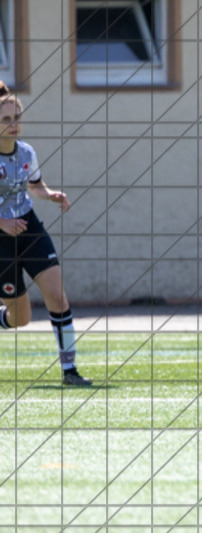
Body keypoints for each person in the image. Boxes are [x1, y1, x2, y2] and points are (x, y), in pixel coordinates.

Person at [0, 83, 91, 386]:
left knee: (57, 296)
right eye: (6, 120)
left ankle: (70, 371)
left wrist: (49, 194)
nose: (14, 125)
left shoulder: (26, 152)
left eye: (17, 118)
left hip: (29, 228)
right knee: (21, 319)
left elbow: (34, 184)